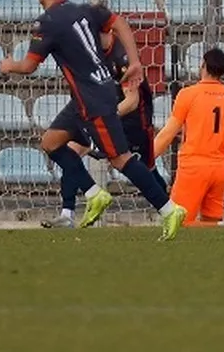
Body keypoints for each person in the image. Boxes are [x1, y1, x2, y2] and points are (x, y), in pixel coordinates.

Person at [0, 0, 186, 240]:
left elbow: (28, 67)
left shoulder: (46, 23)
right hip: (85, 98)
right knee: (50, 142)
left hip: (94, 100)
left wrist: (8, 66)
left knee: (121, 160)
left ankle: (169, 209)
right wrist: (136, 61)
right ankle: (91, 194)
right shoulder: (86, 9)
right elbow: (120, 23)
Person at [42, 21, 167, 229]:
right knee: (71, 150)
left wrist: (106, 116)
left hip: (134, 121)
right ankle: (67, 213)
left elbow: (132, 101)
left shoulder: (121, 56)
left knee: (145, 167)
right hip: (103, 112)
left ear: (106, 32)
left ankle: (168, 208)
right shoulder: (93, 54)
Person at [153, 48, 224, 227]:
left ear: (203, 66)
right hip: (220, 168)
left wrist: (145, 160)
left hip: (193, 167)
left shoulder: (188, 94)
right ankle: (222, 227)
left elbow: (168, 133)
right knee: (210, 224)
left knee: (176, 222)